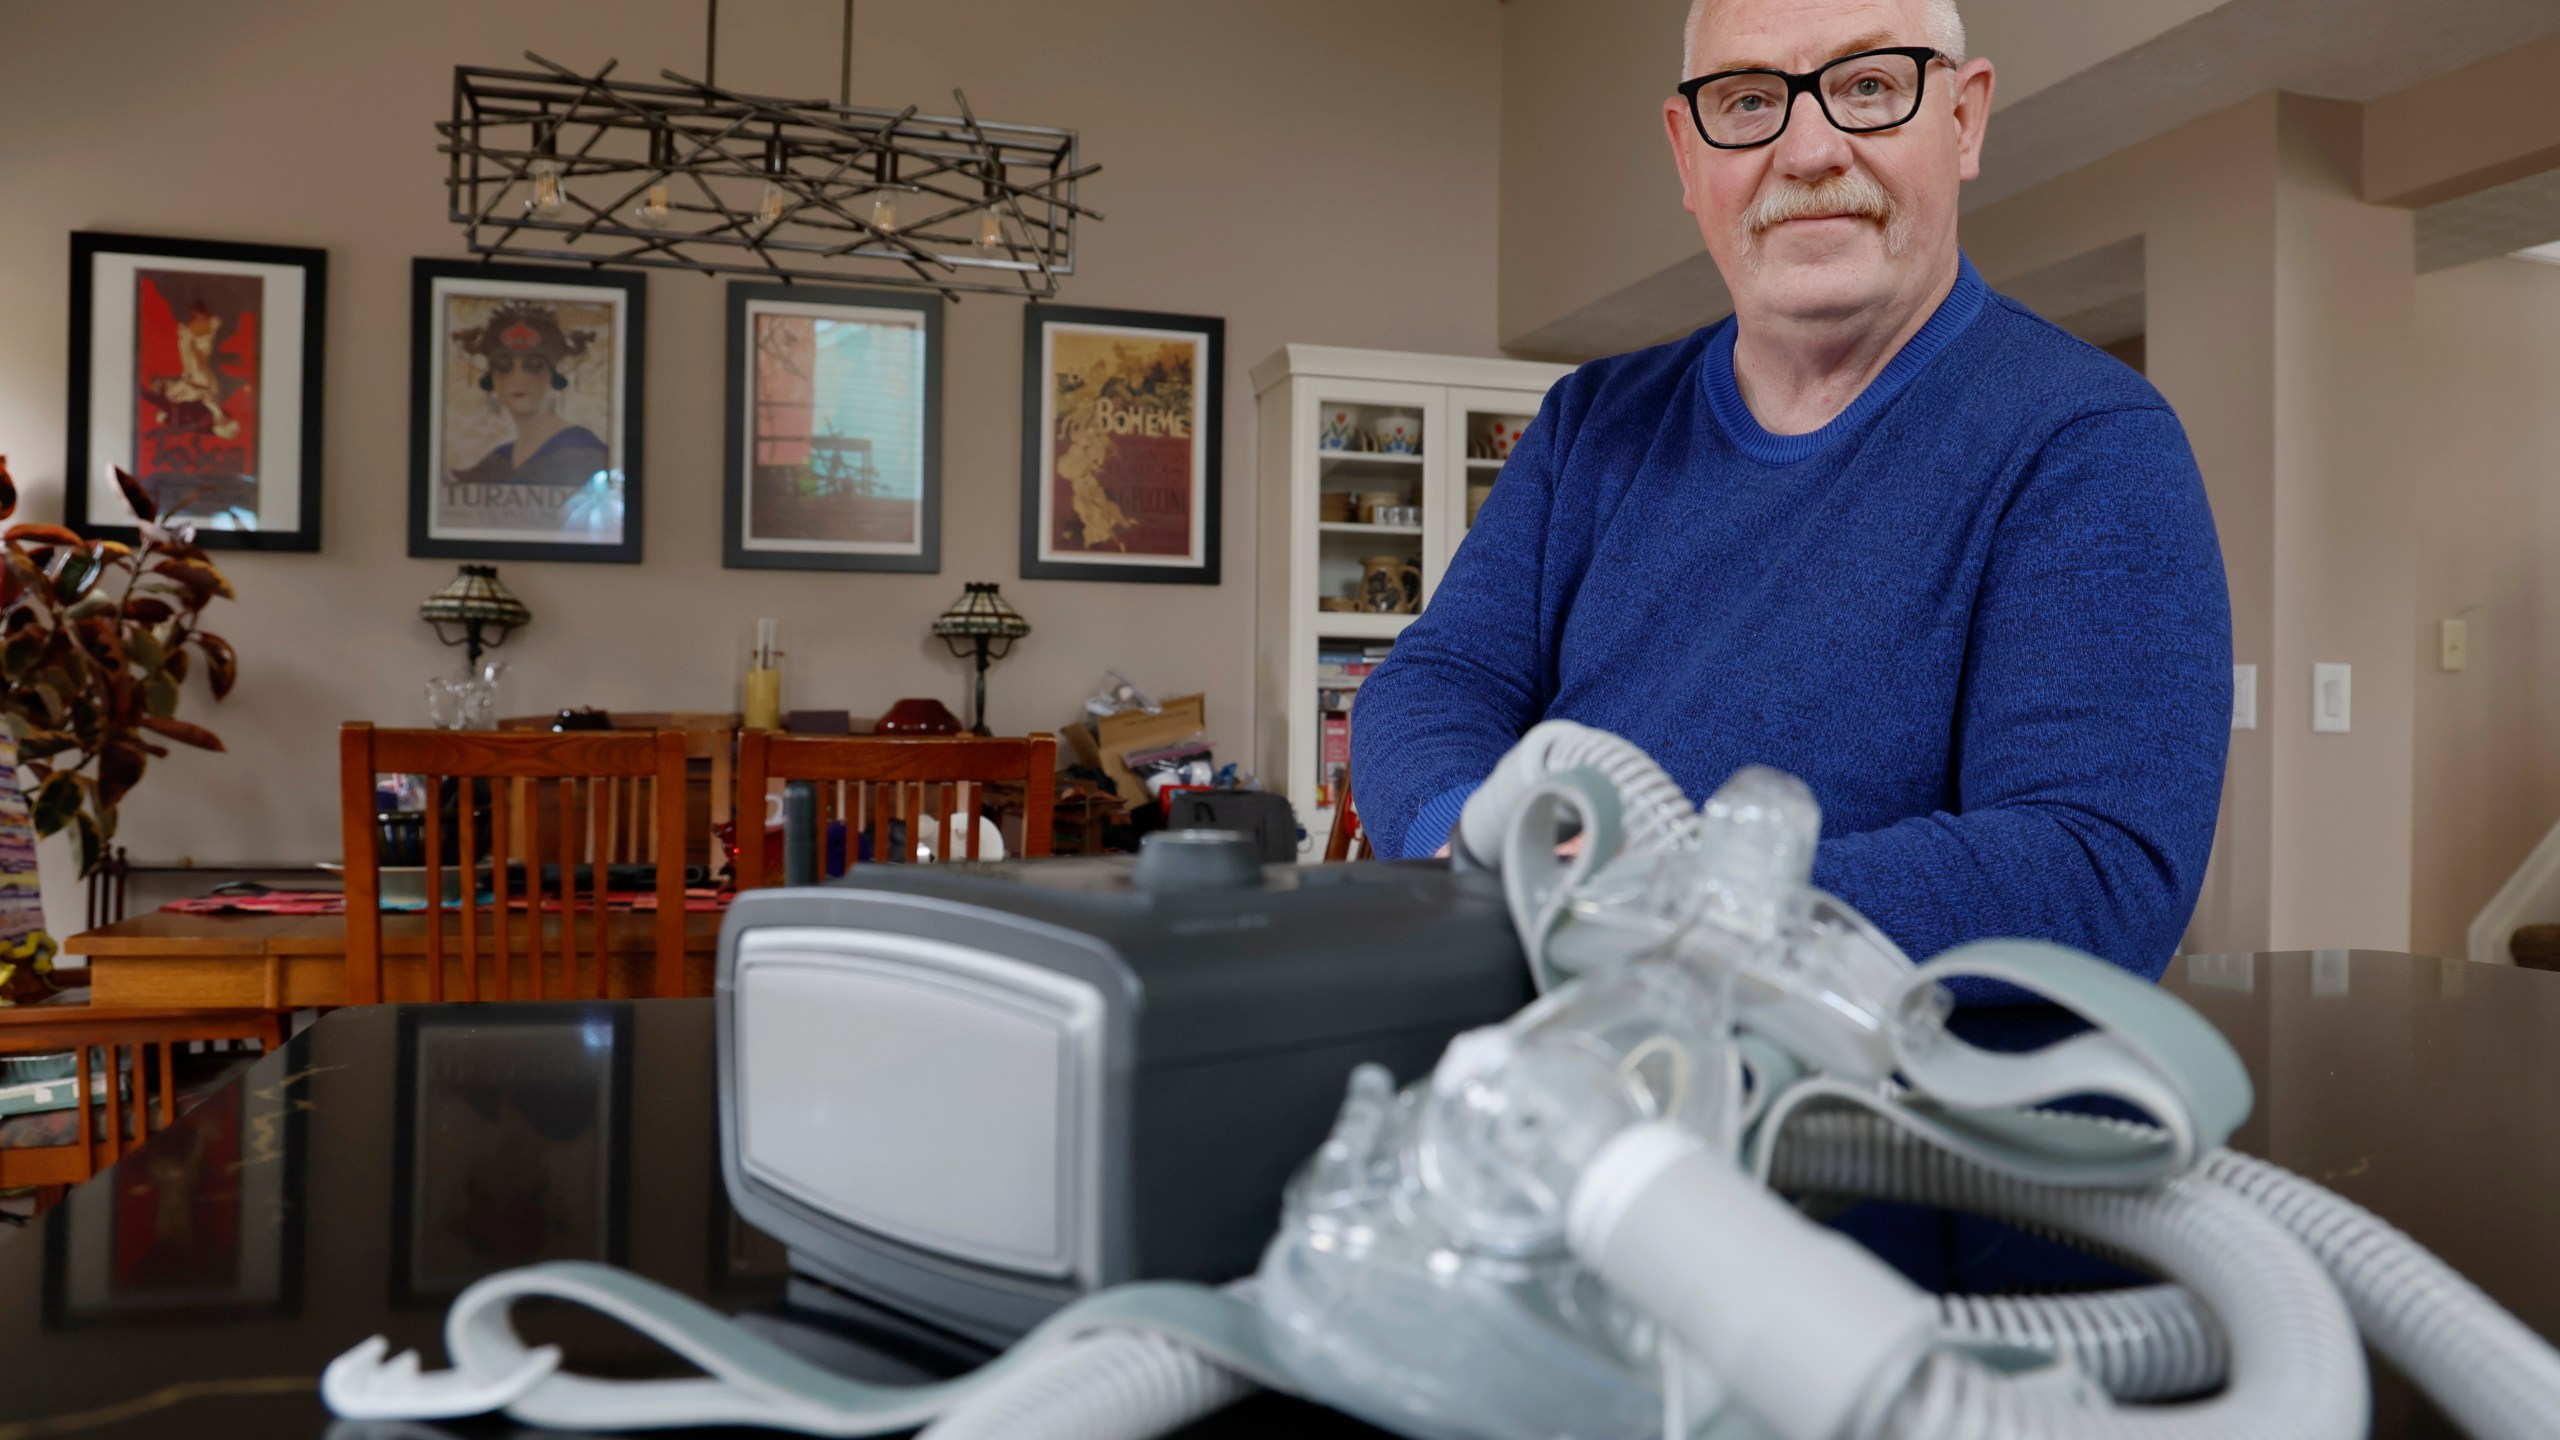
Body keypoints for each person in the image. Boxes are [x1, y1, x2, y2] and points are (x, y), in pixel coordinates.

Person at [1349, 0, 2233, 990]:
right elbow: (1433, 684)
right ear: (1689, 156)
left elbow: (2091, 872)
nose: (1807, 149)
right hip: (1559, 1086)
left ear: (1963, 119)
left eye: (1867, 87)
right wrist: (1466, 846)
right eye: (1747, 99)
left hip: (1857, 1123)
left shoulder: (2084, 442)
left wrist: (1652, 904)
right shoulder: (1588, 425)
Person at [449, 303, 611, 489]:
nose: (517, 379)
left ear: (552, 376)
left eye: (534, 366)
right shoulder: (499, 459)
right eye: (503, 366)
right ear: (491, 378)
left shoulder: (583, 452)